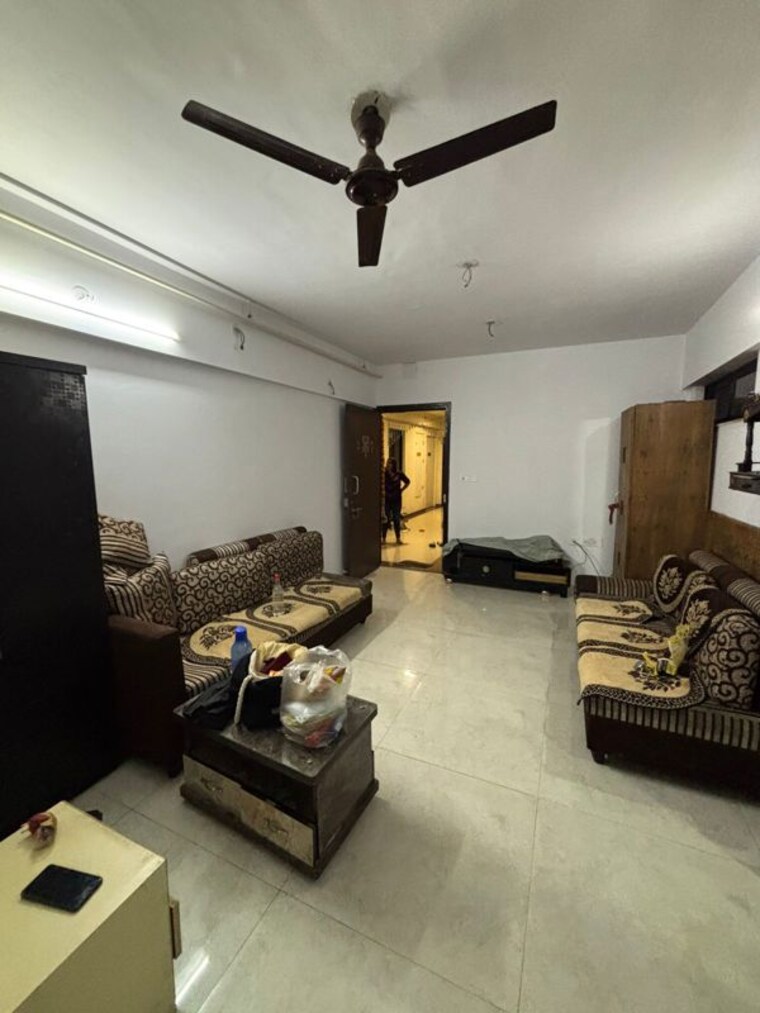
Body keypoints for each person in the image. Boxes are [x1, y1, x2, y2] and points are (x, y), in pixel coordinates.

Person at [383, 458, 410, 544]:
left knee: (396, 518)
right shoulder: (384, 473)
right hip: (387, 498)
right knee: (386, 518)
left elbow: (408, 481)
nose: (388, 465)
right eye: (387, 463)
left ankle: (398, 538)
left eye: (389, 463)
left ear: (393, 465)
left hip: (396, 499)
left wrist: (402, 490)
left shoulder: (399, 473)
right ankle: (383, 538)